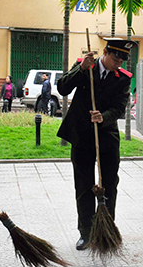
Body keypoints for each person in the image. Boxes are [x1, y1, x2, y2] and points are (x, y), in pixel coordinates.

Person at [57, 38, 134, 250]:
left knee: (109, 184)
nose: (119, 62)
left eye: (123, 59)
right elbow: (63, 87)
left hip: (106, 136)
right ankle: (86, 233)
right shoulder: (84, 66)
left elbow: (119, 107)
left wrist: (104, 117)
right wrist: (81, 69)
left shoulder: (123, 78)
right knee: (83, 185)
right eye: (116, 57)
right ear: (105, 52)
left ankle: (107, 231)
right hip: (81, 136)